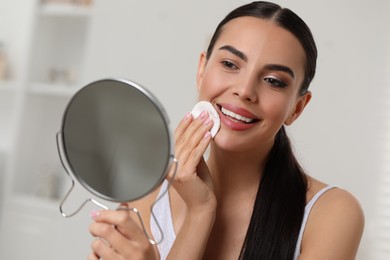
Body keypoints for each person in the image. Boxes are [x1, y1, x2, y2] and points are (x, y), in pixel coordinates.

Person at [88, 1, 364, 259]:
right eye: (230, 64)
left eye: (273, 81)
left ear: (297, 108)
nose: (244, 91)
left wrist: (200, 211)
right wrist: (200, 212)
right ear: (201, 70)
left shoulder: (331, 213)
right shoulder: (145, 197)